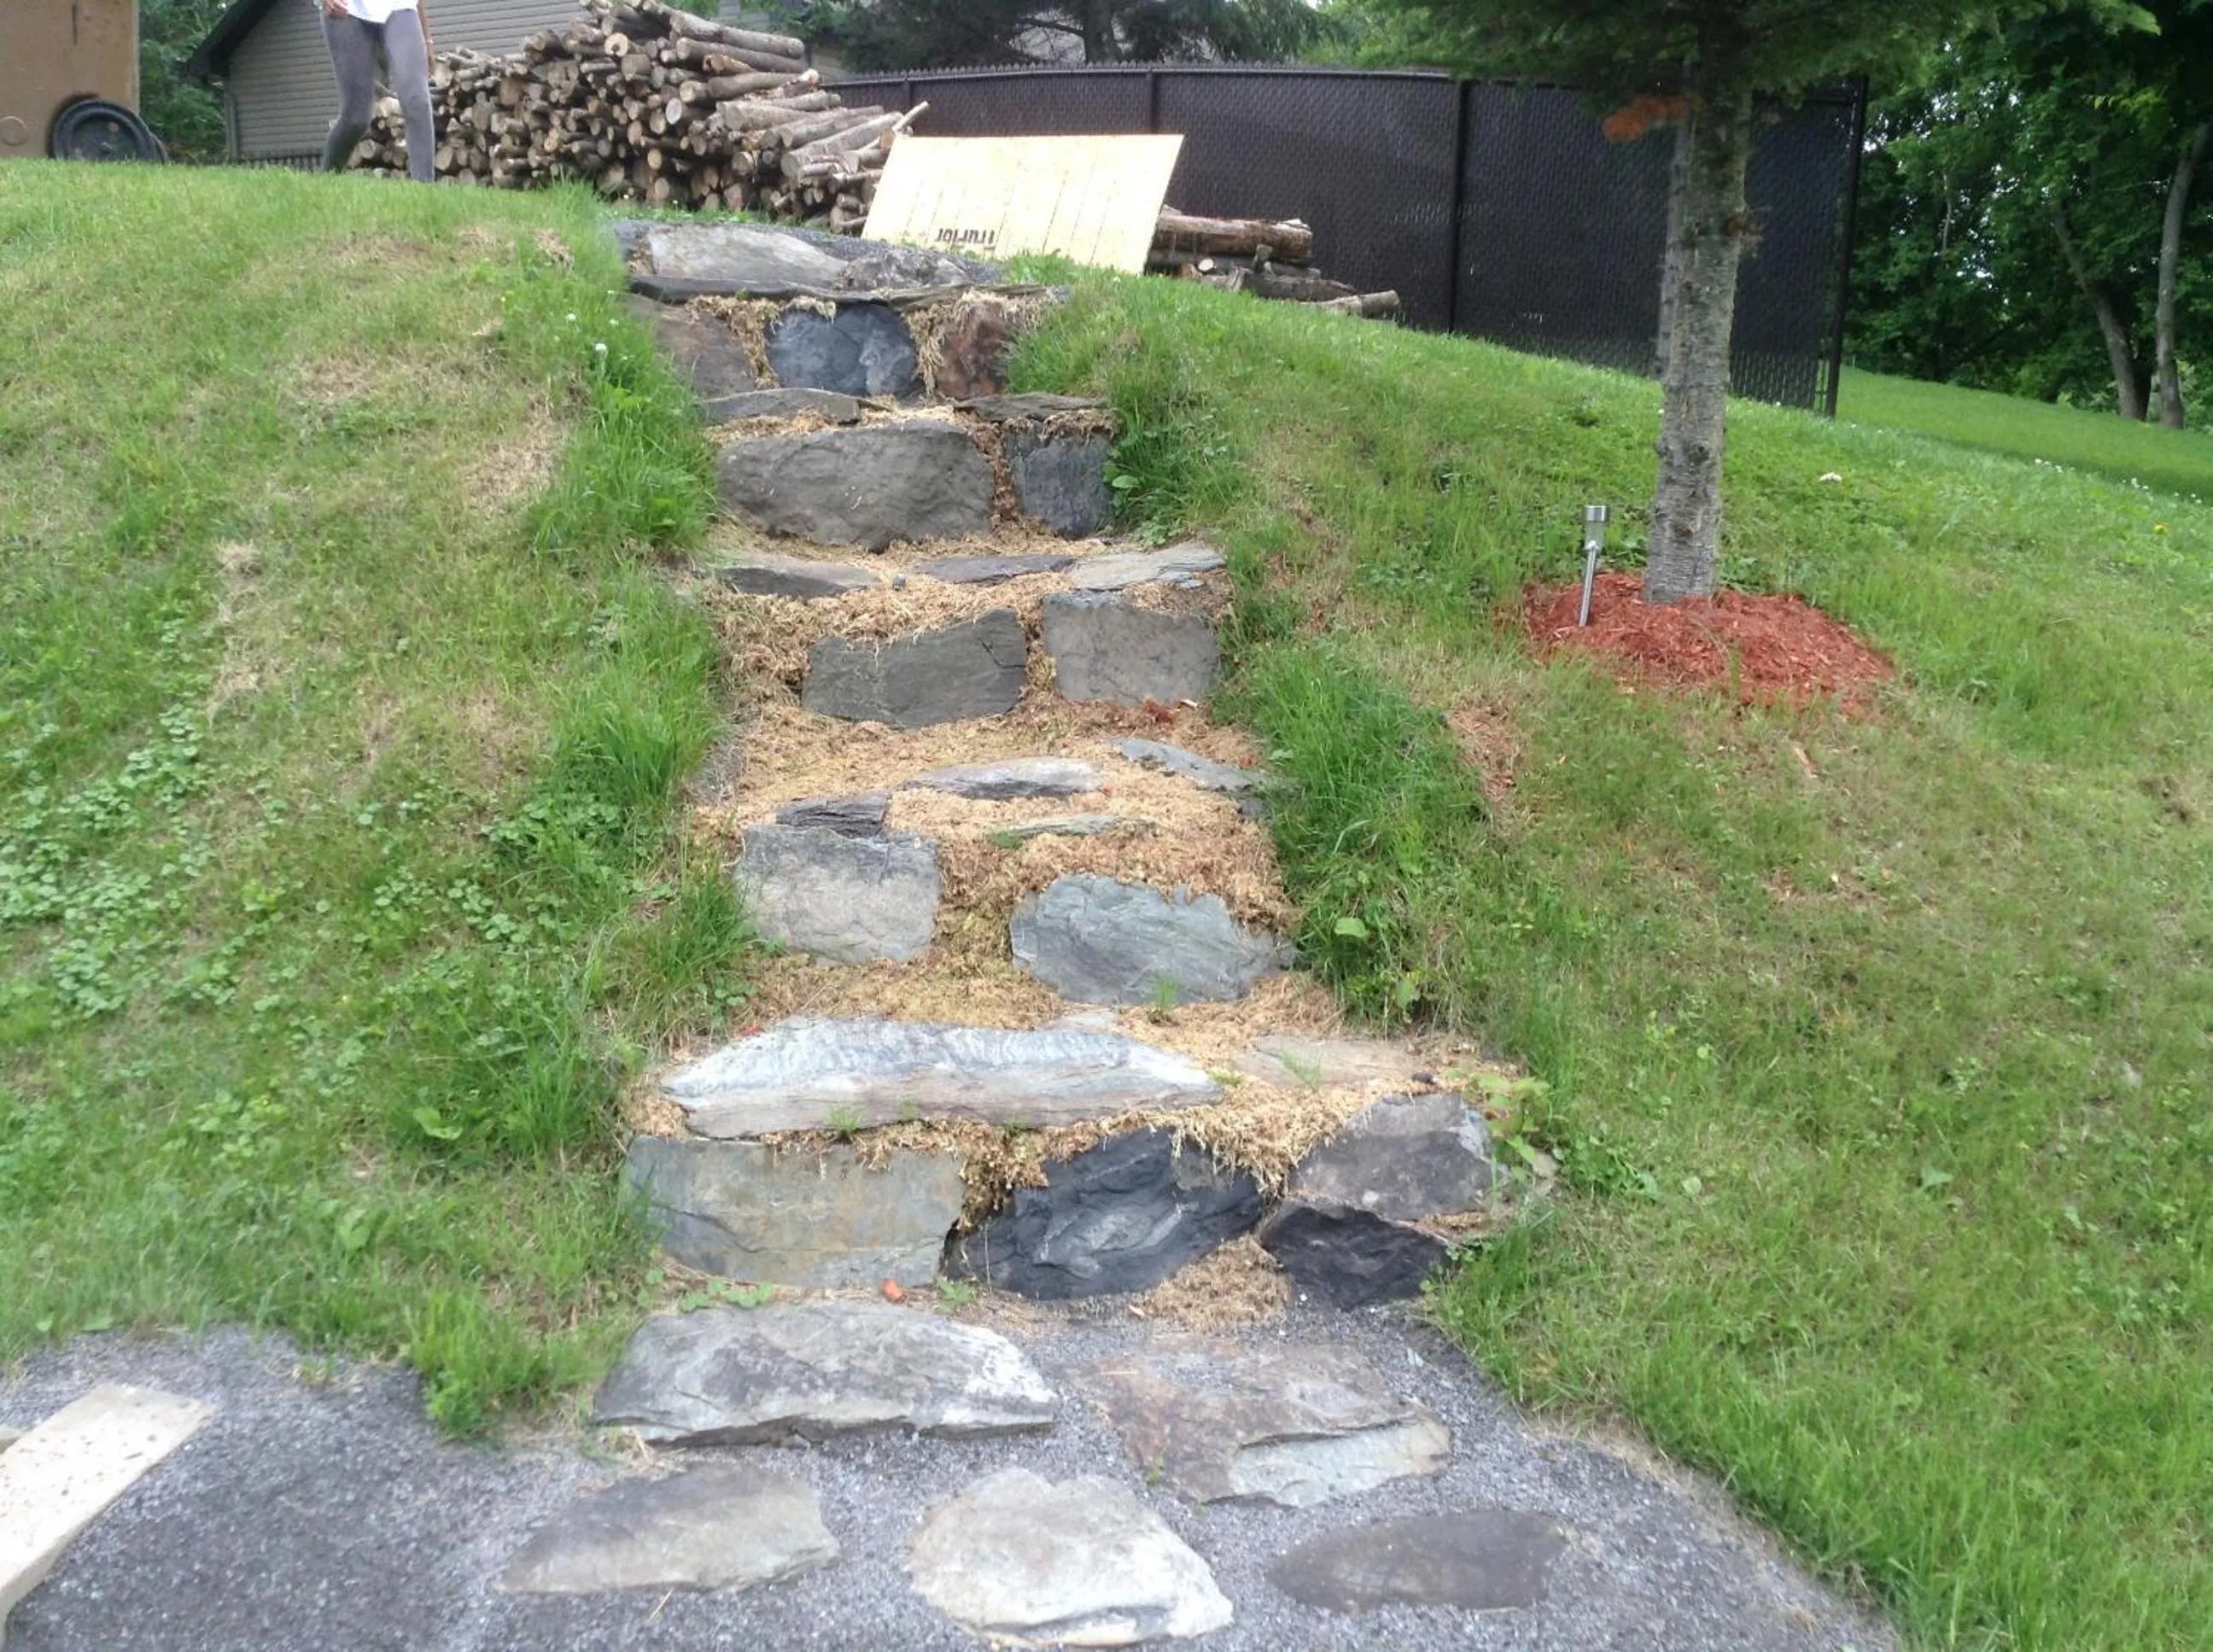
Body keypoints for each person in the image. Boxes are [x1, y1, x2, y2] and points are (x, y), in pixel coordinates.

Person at [318, 0, 437, 182]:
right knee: (355, 118)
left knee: (417, 101)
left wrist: (428, 39)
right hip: (348, 9)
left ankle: (426, 191)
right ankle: (324, 181)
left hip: (400, 7)